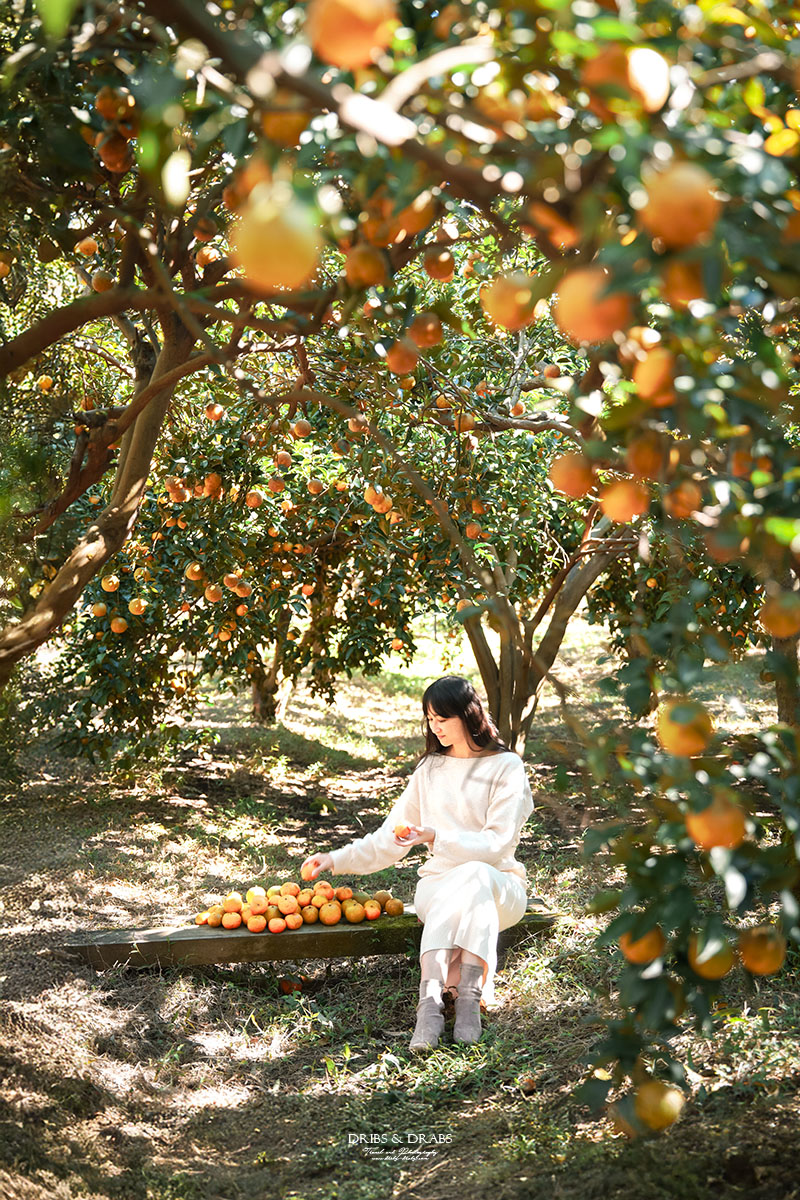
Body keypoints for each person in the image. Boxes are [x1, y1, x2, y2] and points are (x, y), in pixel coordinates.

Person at [300, 675, 533, 1052]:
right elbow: (389, 837)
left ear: (468, 715)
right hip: (438, 887)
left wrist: (437, 837)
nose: (435, 727)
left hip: (498, 887)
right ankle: (435, 1006)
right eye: (430, 719)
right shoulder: (430, 770)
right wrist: (334, 858)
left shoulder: (506, 767)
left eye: (442, 718)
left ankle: (463, 1001)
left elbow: (498, 843)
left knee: (474, 872)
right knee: (456, 883)